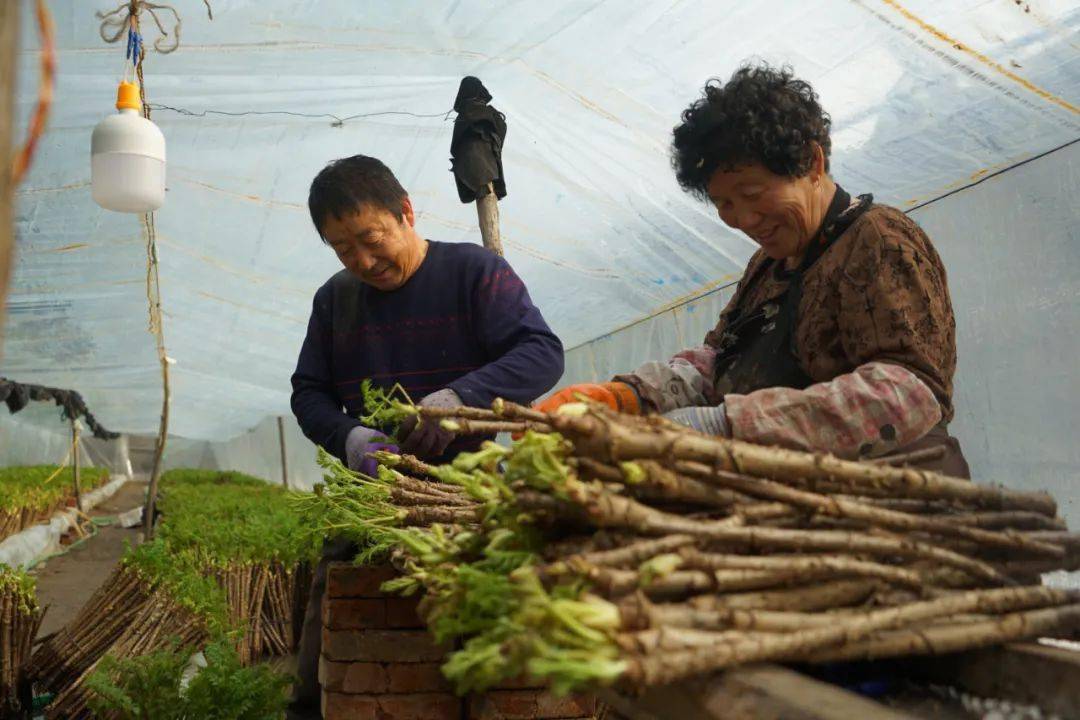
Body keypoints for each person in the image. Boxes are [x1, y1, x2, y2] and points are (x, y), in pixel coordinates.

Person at [538, 63, 968, 477]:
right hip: (806, 507)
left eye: (752, 193)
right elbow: (719, 360)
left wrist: (728, 425)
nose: (743, 219)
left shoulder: (878, 240)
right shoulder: (767, 266)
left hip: (902, 505)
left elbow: (908, 393)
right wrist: (631, 396)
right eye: (724, 203)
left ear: (812, 163)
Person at [288, 155, 564, 717]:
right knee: (335, 624)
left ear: (407, 212)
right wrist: (352, 438)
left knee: (493, 648)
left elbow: (542, 354)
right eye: (343, 250)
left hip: (477, 497)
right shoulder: (335, 300)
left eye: (372, 238)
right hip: (381, 501)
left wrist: (460, 400)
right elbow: (308, 393)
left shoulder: (474, 273)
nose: (363, 261)